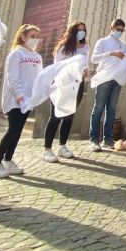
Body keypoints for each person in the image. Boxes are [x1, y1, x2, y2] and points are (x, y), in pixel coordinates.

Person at [0, 24, 43, 178]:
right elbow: (12, 77)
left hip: (29, 100)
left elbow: (39, 78)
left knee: (18, 131)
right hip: (15, 100)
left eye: (37, 37)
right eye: (32, 36)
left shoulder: (37, 57)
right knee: (12, 131)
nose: (35, 40)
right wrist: (19, 96)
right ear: (23, 36)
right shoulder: (16, 54)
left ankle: (8, 160)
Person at [41, 20, 89, 162]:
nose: (82, 32)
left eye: (84, 30)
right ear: (72, 31)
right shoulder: (63, 48)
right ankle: (47, 149)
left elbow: (84, 64)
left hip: (77, 84)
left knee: (69, 116)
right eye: (79, 30)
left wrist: (85, 70)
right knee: (55, 116)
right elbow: (58, 67)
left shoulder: (86, 47)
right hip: (62, 85)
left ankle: (62, 146)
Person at [89, 18, 126, 151]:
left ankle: (108, 139)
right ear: (112, 28)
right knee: (98, 108)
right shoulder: (102, 42)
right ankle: (93, 139)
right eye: (117, 29)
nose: (119, 32)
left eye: (121, 30)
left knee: (112, 109)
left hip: (117, 79)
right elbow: (94, 58)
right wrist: (112, 53)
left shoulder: (123, 44)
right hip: (104, 78)